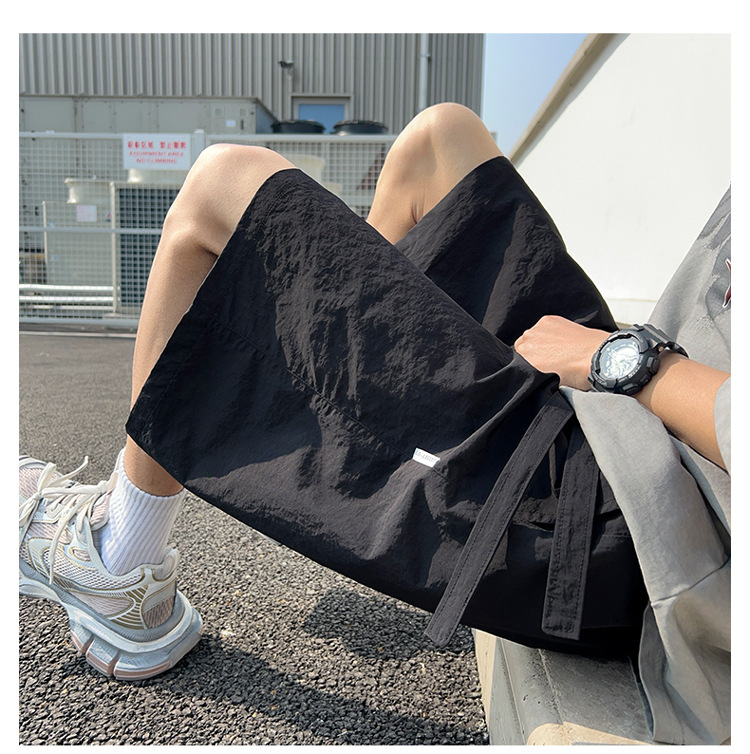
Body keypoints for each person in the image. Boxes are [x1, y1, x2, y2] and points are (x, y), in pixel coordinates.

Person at [19, 103, 730, 743]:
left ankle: (120, 560)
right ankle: (339, 388)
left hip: (646, 510)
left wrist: (621, 362)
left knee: (222, 188)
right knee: (440, 140)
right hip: (628, 412)